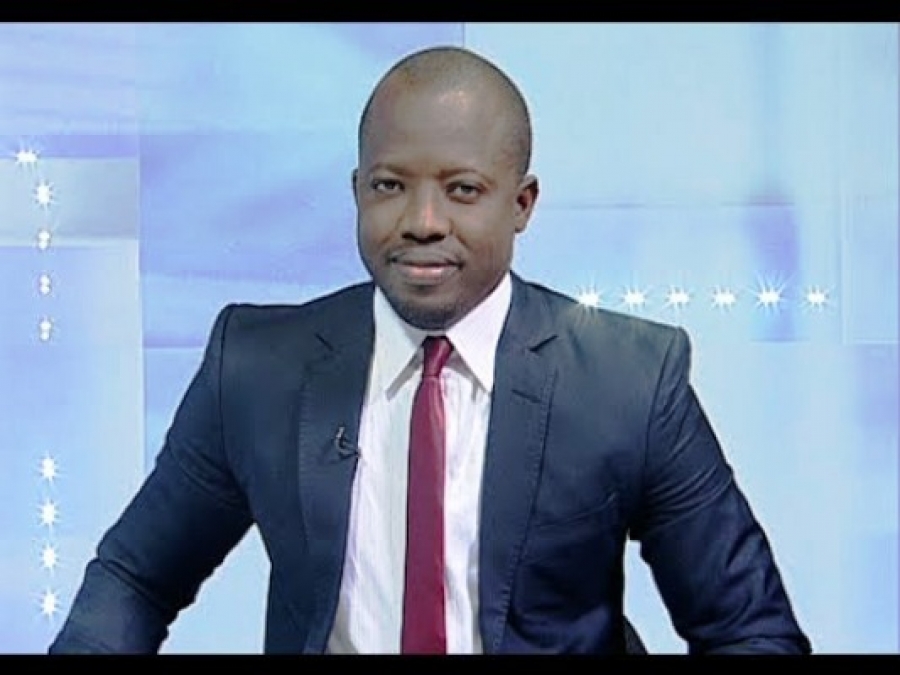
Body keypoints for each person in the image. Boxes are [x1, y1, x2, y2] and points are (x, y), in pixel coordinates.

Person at [48, 44, 811, 655]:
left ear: (522, 203)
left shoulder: (628, 379)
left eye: (462, 189)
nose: (421, 220)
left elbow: (749, 629)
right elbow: (135, 578)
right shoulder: (254, 367)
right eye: (389, 186)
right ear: (356, 190)